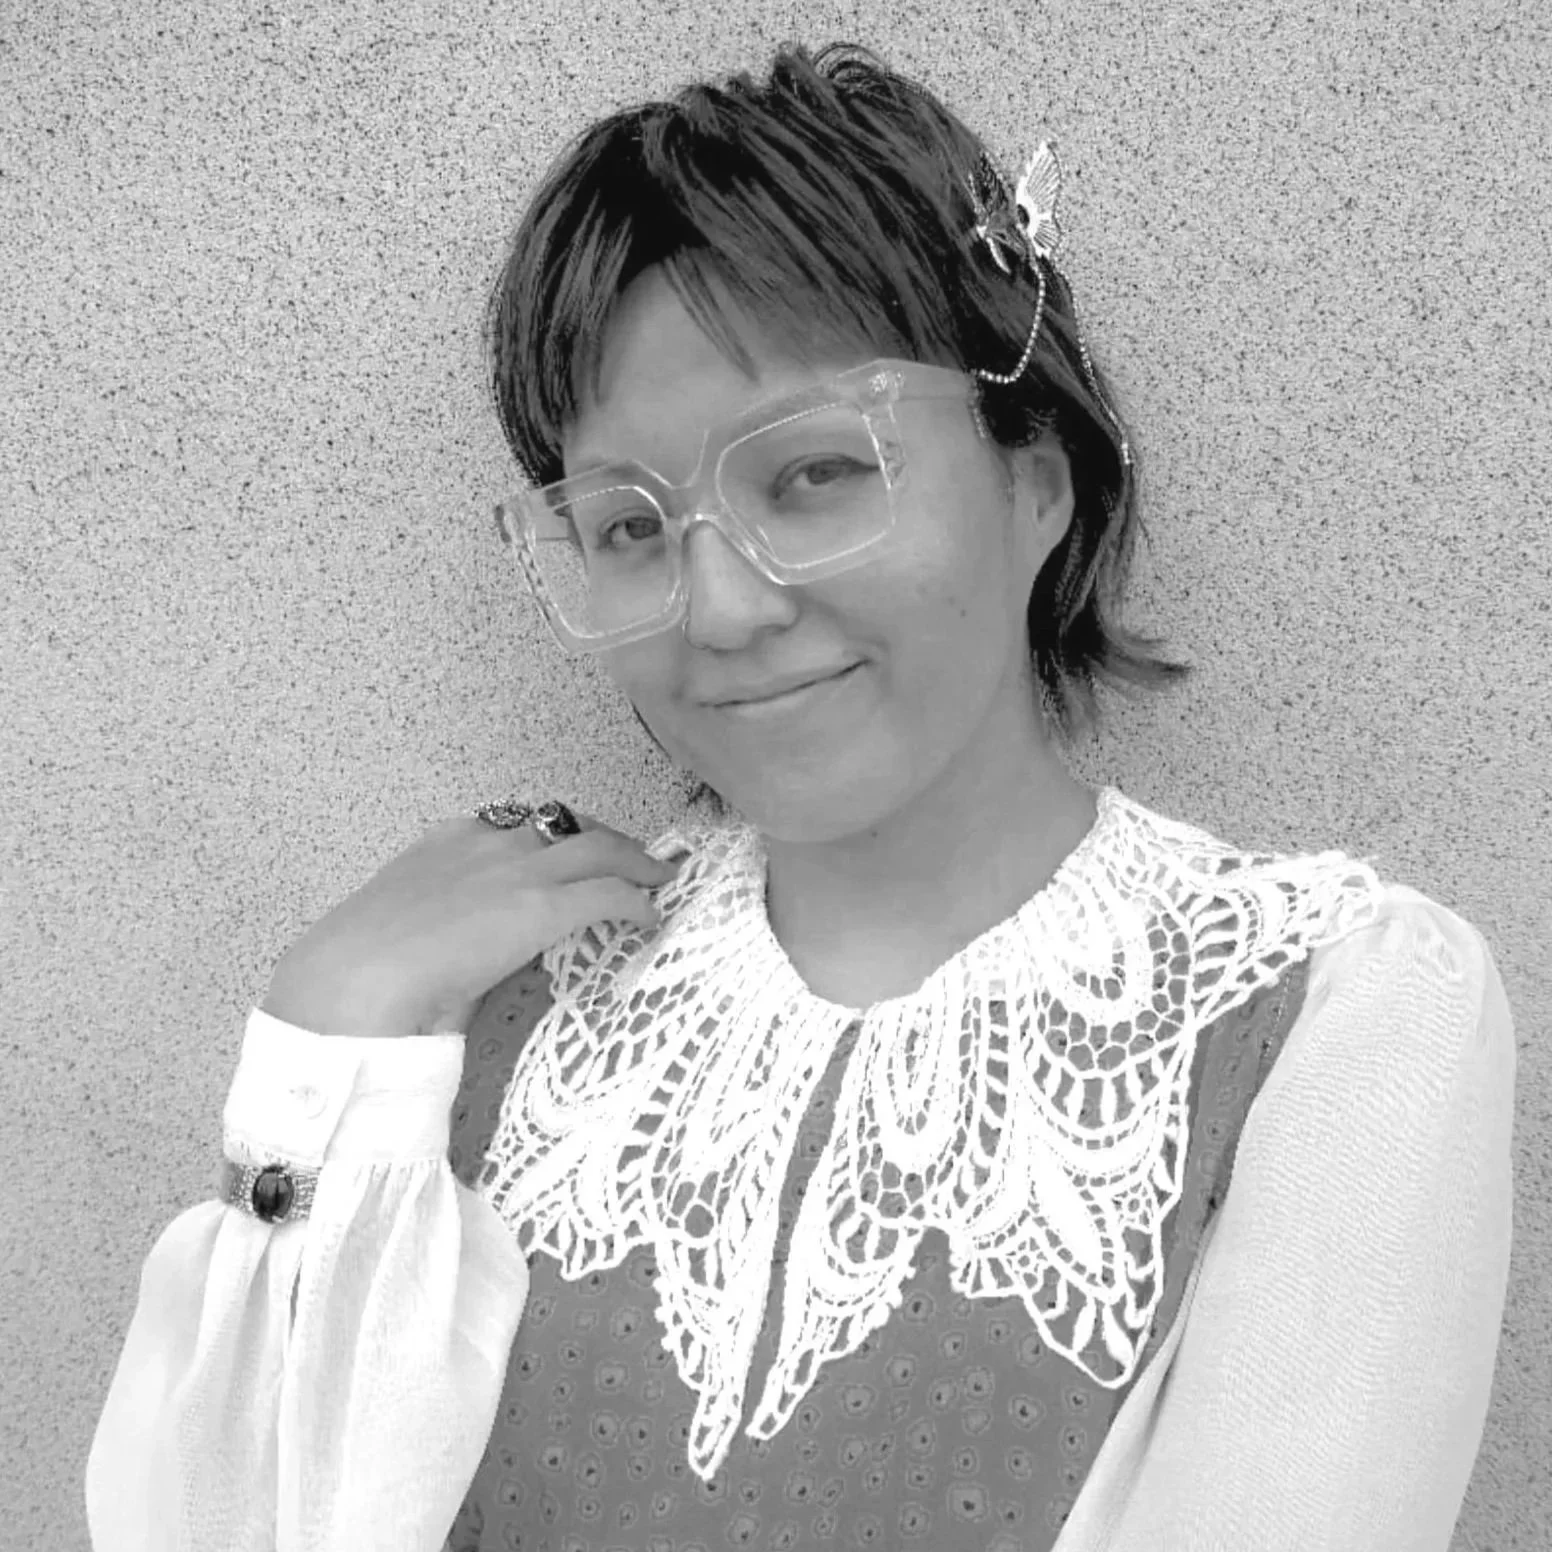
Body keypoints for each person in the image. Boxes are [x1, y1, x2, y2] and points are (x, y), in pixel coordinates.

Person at [85, 41, 1515, 1552]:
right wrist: (321, 1043)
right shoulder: (488, 1006)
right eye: (628, 525)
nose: (718, 608)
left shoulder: (1331, 1013)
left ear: (1037, 481)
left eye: (817, 474)